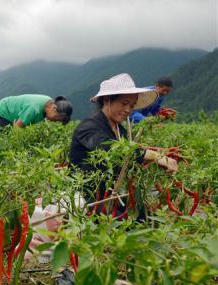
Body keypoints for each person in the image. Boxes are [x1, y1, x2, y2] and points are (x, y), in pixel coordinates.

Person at [69, 73, 178, 215]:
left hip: (110, 194)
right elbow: (113, 148)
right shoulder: (89, 127)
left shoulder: (119, 129)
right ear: (107, 100)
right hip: (87, 196)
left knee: (142, 217)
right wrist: (156, 156)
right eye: (124, 103)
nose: (128, 110)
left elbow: (129, 156)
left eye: (132, 106)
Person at [0, 94, 73, 128]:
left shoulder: (49, 103)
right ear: (54, 108)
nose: (54, 121)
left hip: (14, 113)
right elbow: (17, 129)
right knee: (5, 140)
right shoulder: (34, 109)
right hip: (4, 110)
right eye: (55, 119)